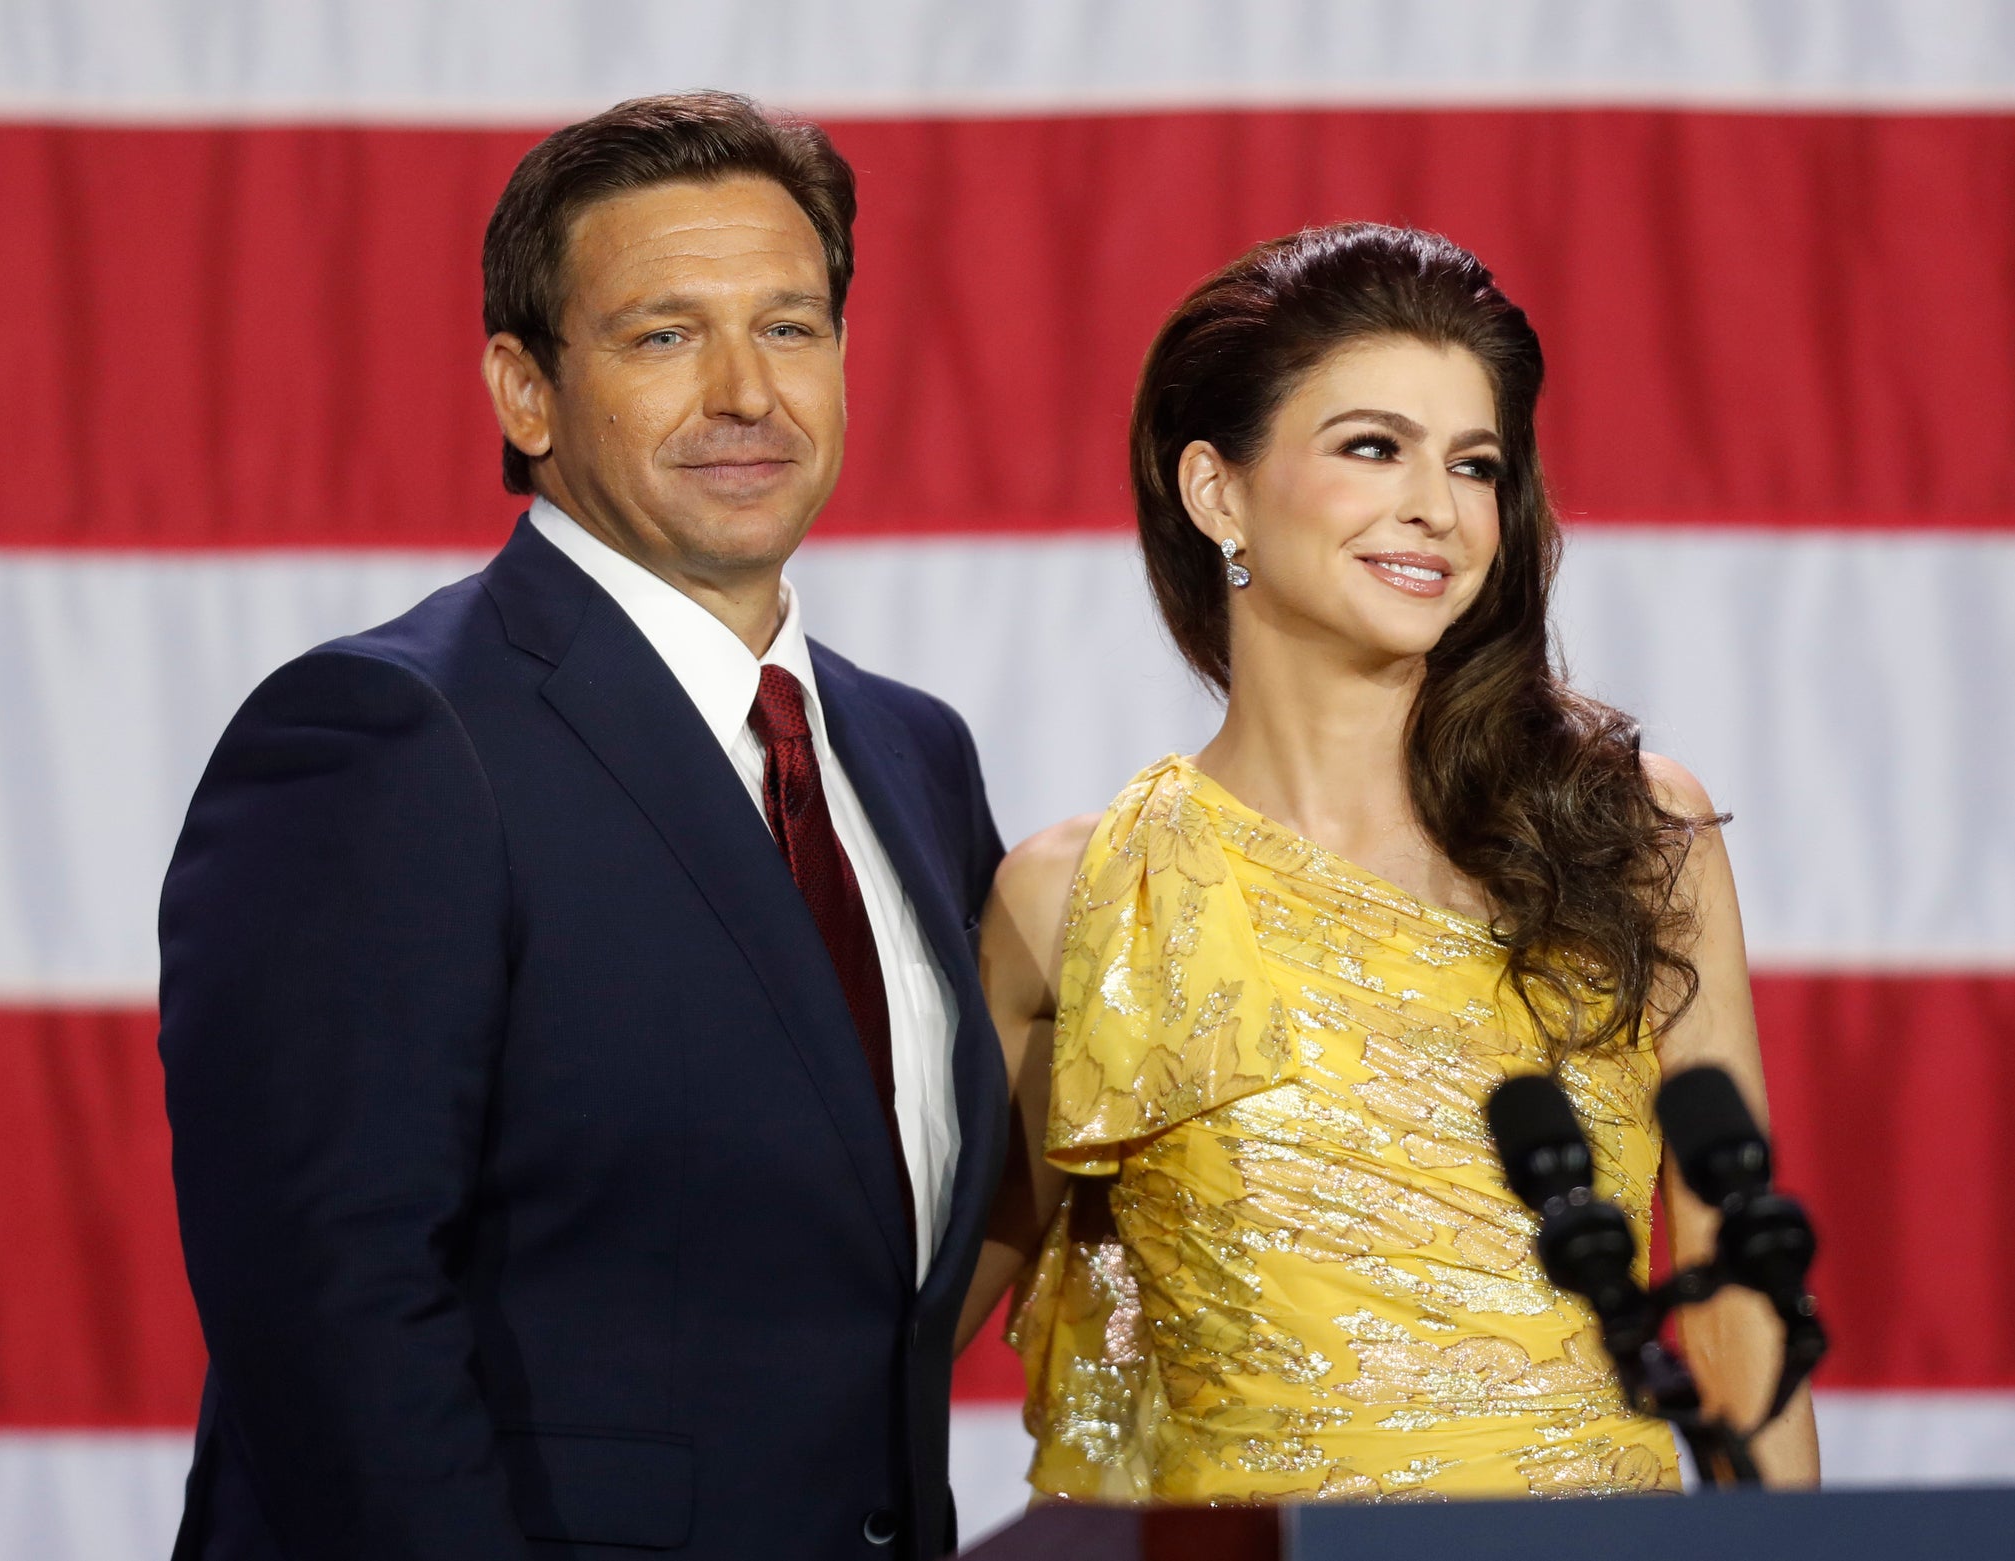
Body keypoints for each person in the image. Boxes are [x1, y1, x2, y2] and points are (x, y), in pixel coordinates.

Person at [160, 92, 1007, 1560]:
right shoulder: (386, 739)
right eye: (663, 335)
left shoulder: (910, 752)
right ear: (524, 391)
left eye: (792, 327)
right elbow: (336, 1315)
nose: (746, 391)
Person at [958, 222, 1820, 1500]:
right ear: (1217, 492)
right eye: (1372, 447)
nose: (1437, 507)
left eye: (1472, 464)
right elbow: (900, 1332)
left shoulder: (1627, 834)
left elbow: (1739, 1299)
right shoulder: (1083, 897)